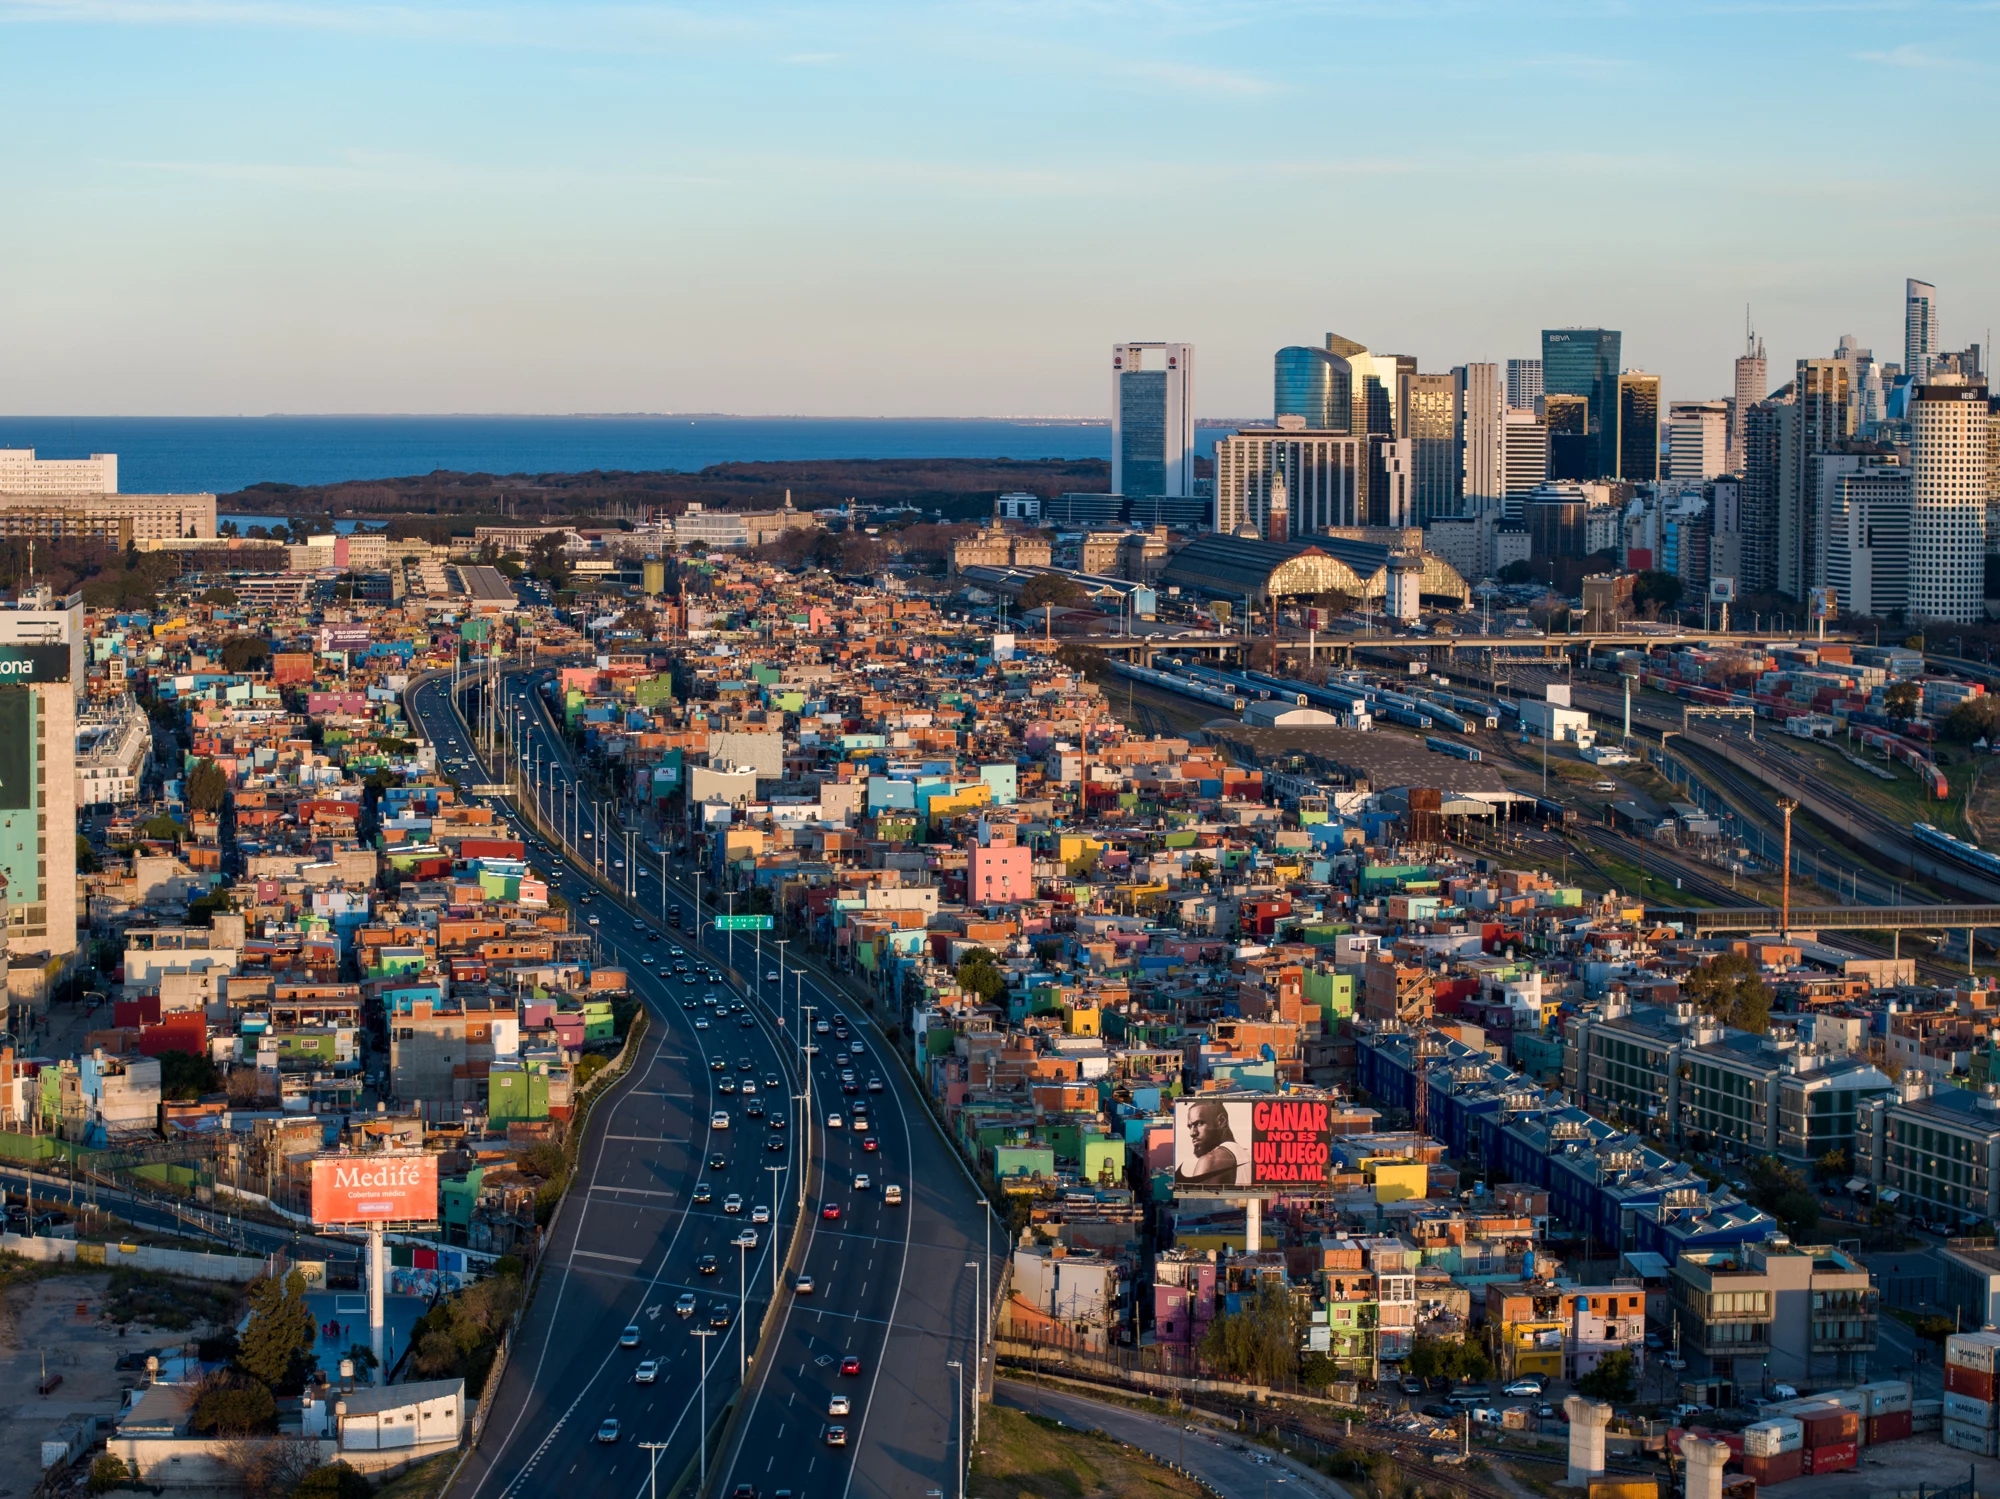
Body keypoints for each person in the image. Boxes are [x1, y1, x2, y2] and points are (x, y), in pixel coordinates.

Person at [1173, 1101, 1249, 1188]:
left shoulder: (1210, 1160)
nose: (1192, 1133)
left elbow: (1195, 1200)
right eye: (1190, 1126)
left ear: (1221, 1121)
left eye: (1199, 1123)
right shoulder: (1250, 1156)